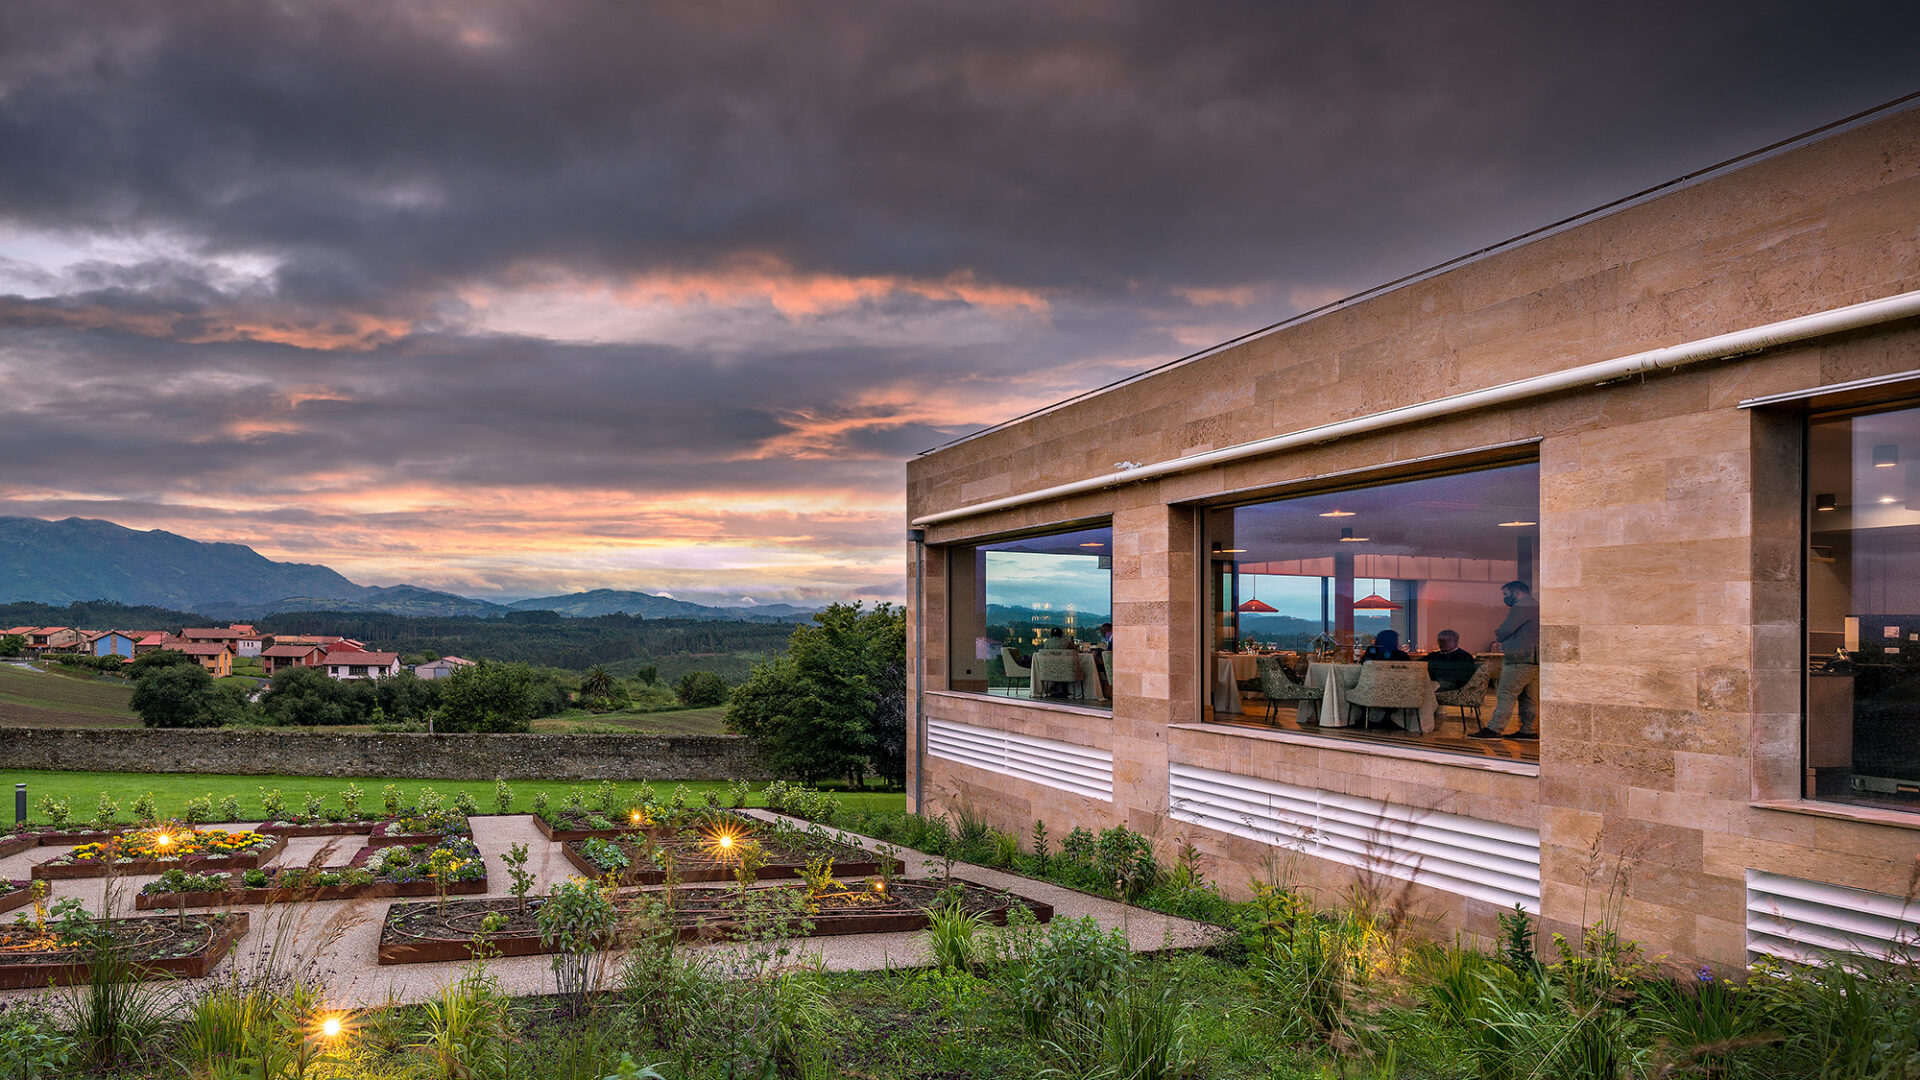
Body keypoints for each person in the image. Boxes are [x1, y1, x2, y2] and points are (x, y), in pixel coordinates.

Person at [1471, 581, 1539, 740]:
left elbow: (1504, 631)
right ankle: (1528, 730)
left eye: (1506, 594)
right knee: (1529, 698)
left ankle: (1494, 729)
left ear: (1516, 592)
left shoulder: (1521, 607)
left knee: (1506, 694)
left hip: (1518, 659)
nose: (1505, 598)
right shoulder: (1537, 606)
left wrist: (1499, 634)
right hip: (1535, 659)